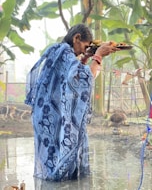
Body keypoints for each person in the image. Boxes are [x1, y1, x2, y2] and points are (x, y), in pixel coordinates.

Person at [25, 24, 119, 182]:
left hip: (44, 115)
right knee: (57, 169)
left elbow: (70, 76)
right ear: (76, 38)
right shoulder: (65, 52)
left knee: (52, 160)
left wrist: (87, 57)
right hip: (50, 117)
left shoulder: (57, 50)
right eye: (85, 46)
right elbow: (82, 79)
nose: (84, 50)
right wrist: (98, 57)